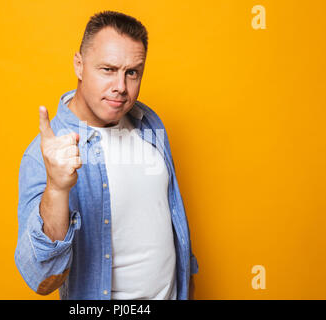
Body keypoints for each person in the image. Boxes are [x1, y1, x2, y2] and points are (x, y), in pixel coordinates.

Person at [15, 10, 198, 300]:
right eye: (108, 70)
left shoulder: (148, 123)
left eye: (132, 73)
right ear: (79, 65)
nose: (121, 88)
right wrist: (57, 188)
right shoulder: (46, 156)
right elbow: (41, 280)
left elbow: (168, 223)